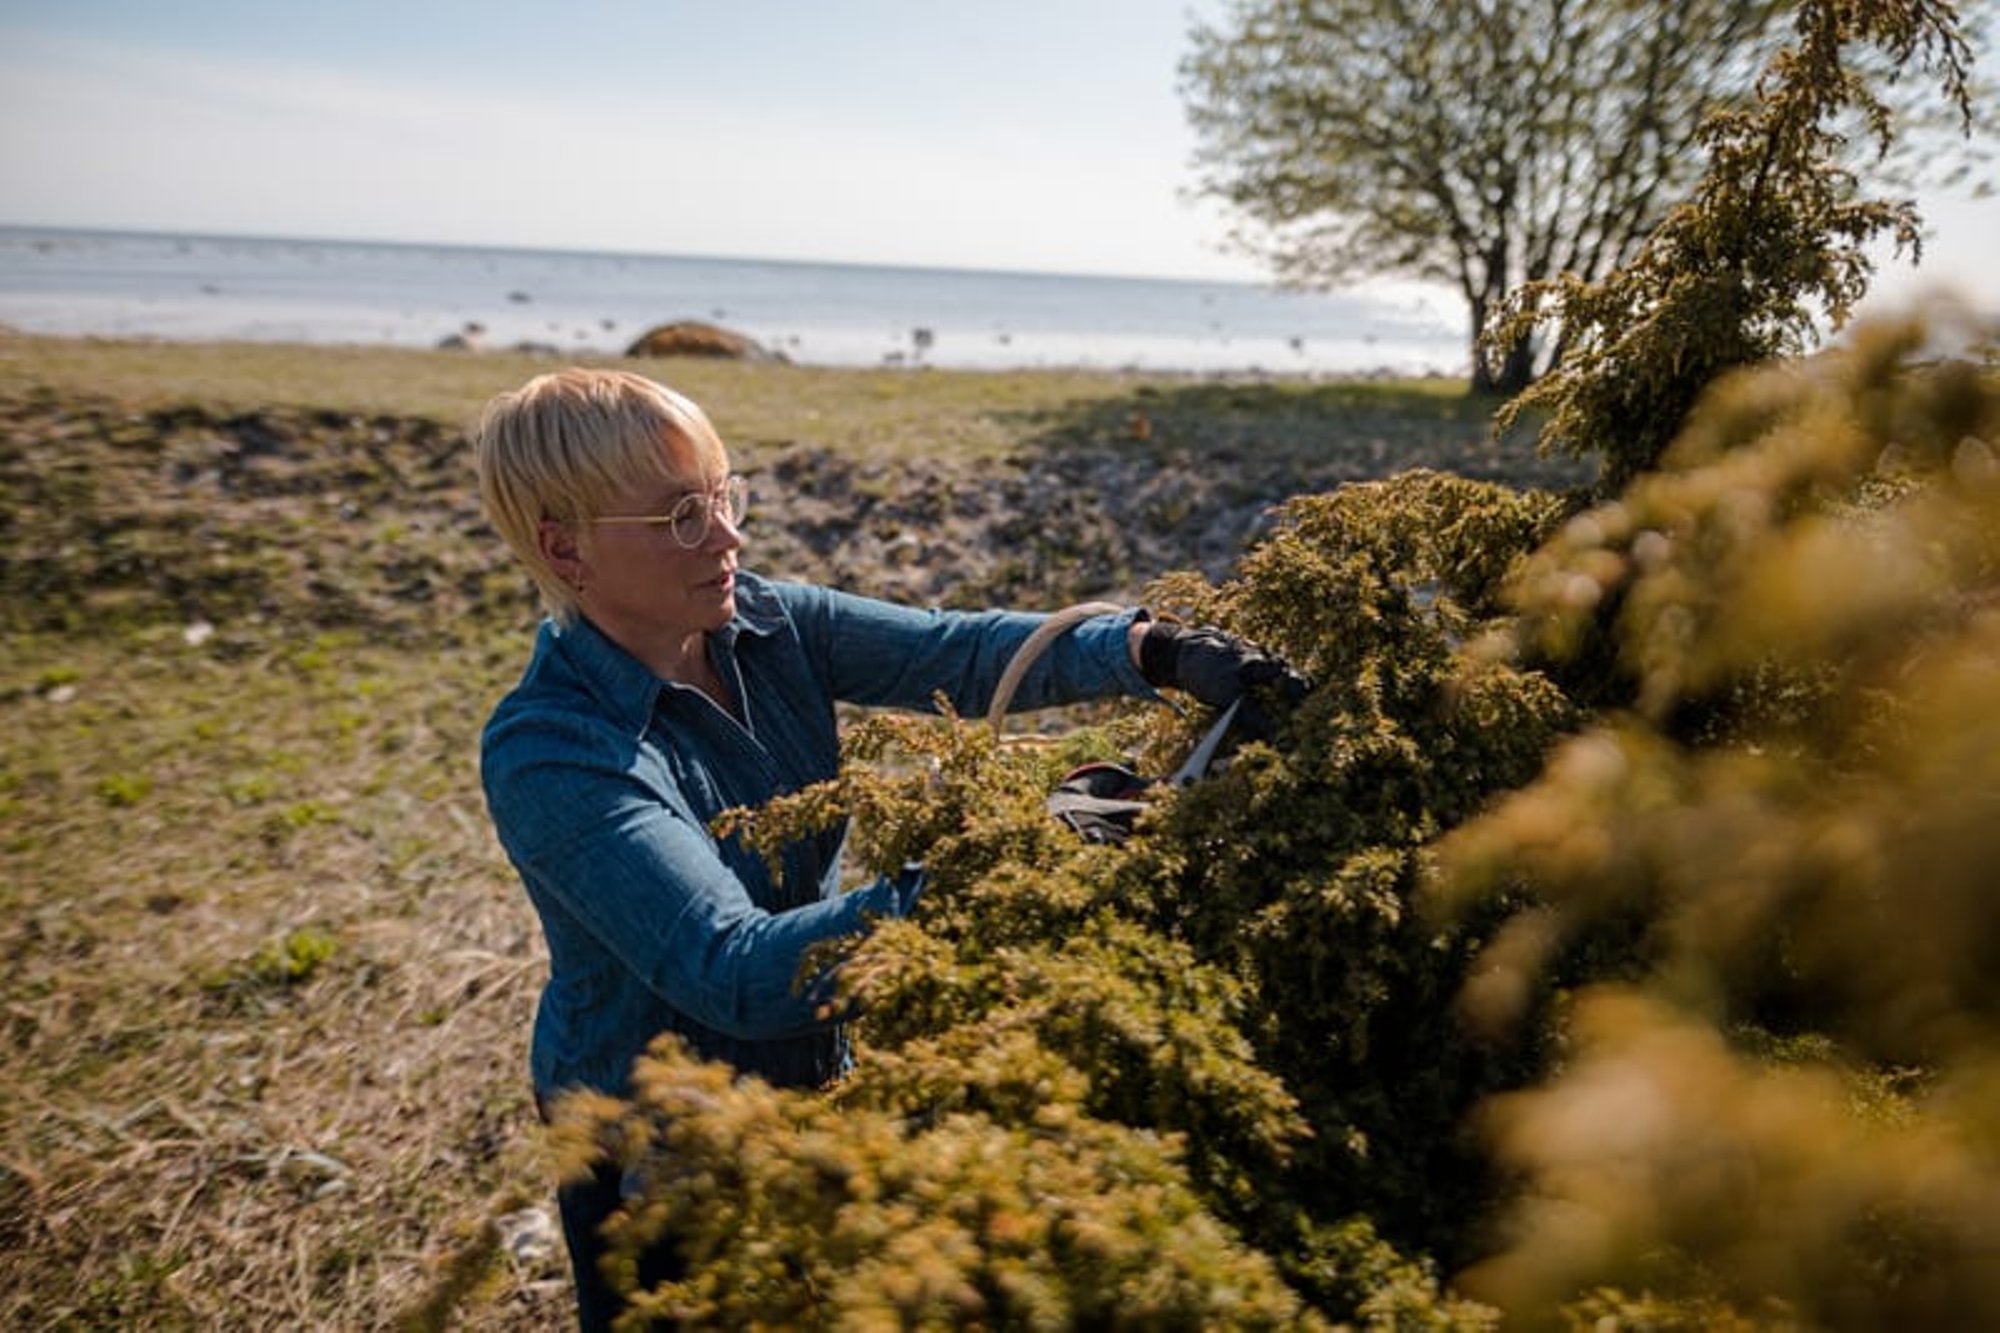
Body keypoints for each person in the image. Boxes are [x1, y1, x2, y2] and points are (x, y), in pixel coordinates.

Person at [472, 367, 1301, 1329]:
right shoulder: (553, 750)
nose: (730, 538)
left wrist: (1149, 649)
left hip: (820, 1086)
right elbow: (732, 970)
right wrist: (1009, 856)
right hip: (658, 1160)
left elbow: (962, 652)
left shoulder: (769, 625)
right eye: (681, 520)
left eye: (725, 495)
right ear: (564, 547)